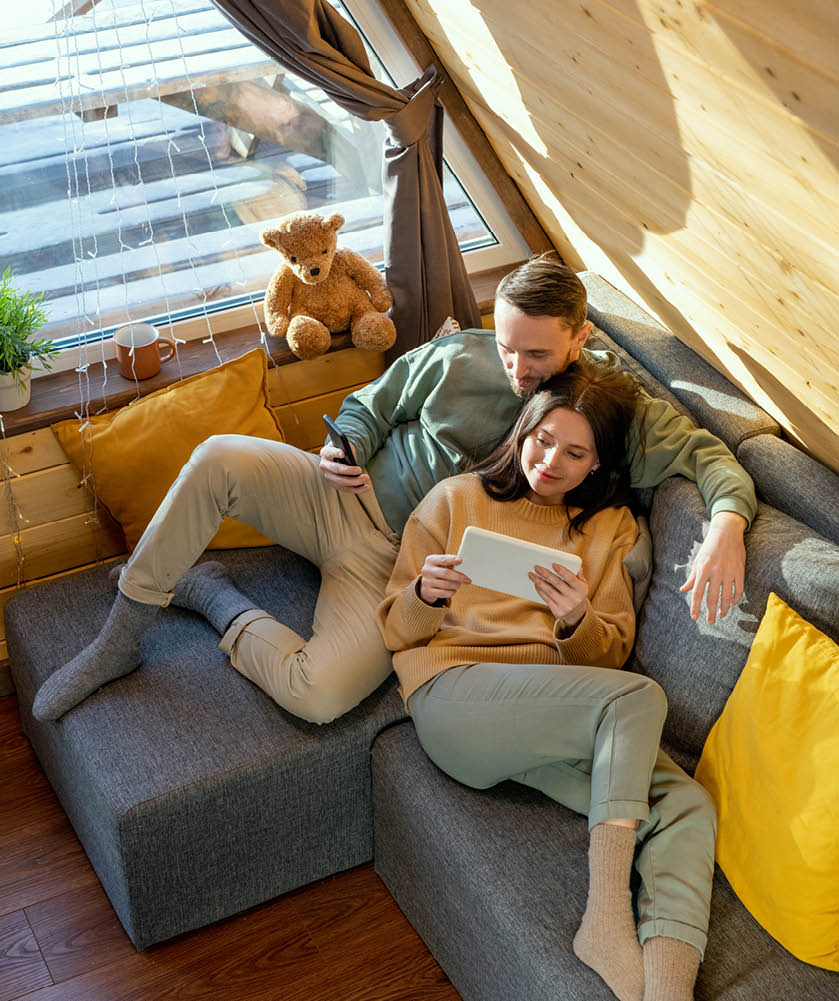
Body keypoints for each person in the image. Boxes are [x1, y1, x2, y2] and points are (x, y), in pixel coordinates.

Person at [32, 255, 755, 724]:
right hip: (334, 498)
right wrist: (341, 444)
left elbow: (712, 457)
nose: (515, 369)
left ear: (578, 336)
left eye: (535, 354)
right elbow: (371, 404)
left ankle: (217, 597)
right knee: (219, 454)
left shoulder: (608, 408)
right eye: (505, 346)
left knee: (318, 697)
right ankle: (119, 639)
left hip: (391, 568)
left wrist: (724, 525)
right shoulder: (458, 355)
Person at [377, 361, 715, 1001]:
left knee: (687, 806)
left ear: (597, 464)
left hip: (553, 718)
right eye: (542, 439)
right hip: (457, 697)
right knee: (641, 698)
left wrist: (574, 620)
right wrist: (424, 594)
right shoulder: (455, 499)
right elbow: (397, 630)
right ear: (522, 430)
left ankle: (668, 991)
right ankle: (607, 912)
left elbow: (608, 659)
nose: (551, 460)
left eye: (575, 452)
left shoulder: (611, 529)